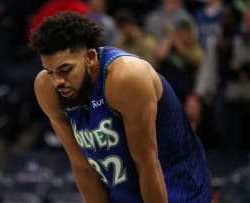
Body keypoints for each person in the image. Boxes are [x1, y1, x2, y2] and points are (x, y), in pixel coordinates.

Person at [30, 11, 211, 203]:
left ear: (90, 57)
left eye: (65, 69)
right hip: (124, 191)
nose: (58, 81)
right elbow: (83, 168)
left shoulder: (126, 78)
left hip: (178, 187)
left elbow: (146, 164)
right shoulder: (46, 88)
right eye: (50, 71)